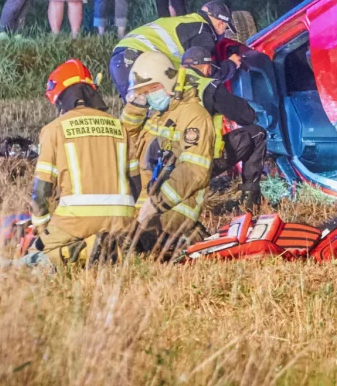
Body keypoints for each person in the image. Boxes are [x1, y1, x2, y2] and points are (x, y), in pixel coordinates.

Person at [28, 59, 138, 270]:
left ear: (61, 98)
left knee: (35, 257)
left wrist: (42, 229)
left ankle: (83, 250)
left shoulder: (54, 129)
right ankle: (109, 248)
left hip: (75, 219)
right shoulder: (119, 126)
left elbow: (41, 191)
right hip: (121, 220)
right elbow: (135, 183)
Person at [121, 51, 214, 253]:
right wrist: (134, 111)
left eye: (151, 89)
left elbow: (193, 172)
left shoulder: (195, 117)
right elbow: (124, 148)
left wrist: (155, 205)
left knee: (138, 248)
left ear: (168, 83)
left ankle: (184, 236)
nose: (148, 96)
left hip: (172, 208)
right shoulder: (158, 115)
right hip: (143, 206)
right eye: (142, 92)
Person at [181, 47, 269, 211]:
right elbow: (245, 116)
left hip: (167, 166)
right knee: (256, 133)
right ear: (207, 67)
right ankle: (250, 200)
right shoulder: (208, 86)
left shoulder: (168, 85)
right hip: (201, 163)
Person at [109, 0, 241, 97]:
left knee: (136, 116)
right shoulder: (204, 32)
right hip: (138, 58)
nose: (224, 33)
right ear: (220, 23)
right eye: (226, 28)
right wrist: (231, 65)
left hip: (121, 56)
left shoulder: (190, 21)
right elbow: (203, 73)